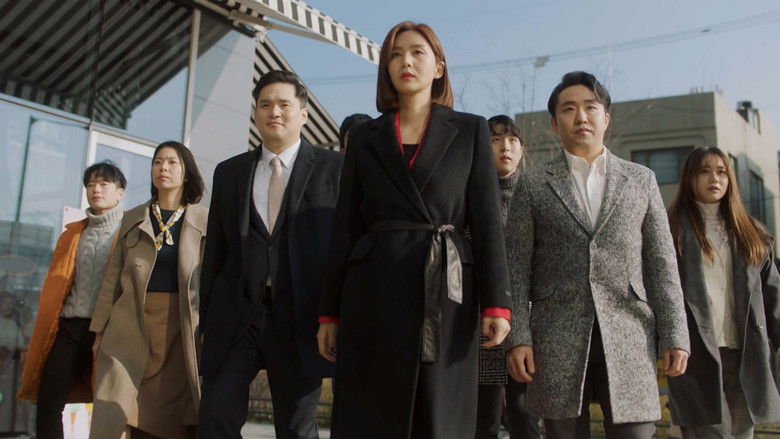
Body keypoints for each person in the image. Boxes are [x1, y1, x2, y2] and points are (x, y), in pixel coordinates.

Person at [317, 21, 511, 439]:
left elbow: (487, 222)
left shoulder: (470, 129)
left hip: (447, 291)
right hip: (373, 290)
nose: (406, 61)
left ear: (439, 67)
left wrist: (497, 304)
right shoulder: (365, 137)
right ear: (386, 69)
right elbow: (345, 226)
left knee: (438, 414)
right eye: (395, 54)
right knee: (373, 413)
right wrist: (329, 312)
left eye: (417, 52)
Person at [504, 71, 690, 439]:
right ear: (554, 124)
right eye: (568, 109)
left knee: (635, 433)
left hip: (629, 332)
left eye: (590, 107)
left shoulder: (641, 179)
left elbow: (662, 264)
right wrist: (519, 338)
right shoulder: (533, 183)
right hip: (555, 336)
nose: (581, 117)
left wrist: (675, 334)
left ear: (606, 118)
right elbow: (516, 269)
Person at [197, 70, 343, 439]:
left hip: (302, 318)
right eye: (265, 105)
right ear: (255, 113)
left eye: (283, 104)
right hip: (237, 315)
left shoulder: (335, 169)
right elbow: (216, 251)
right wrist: (207, 320)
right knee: (215, 414)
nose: (273, 111)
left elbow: (342, 249)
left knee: (296, 428)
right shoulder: (230, 172)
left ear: (303, 113)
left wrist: (335, 314)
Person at [89, 141, 207, 439]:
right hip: (129, 325)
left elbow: (213, 280)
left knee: (169, 417)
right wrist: (99, 331)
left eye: (172, 162)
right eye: (157, 162)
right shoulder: (133, 217)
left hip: (179, 330)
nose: (163, 168)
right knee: (120, 405)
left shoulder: (204, 220)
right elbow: (112, 279)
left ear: (187, 173)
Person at [667, 146, 780, 438]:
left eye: (721, 172)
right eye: (704, 171)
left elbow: (773, 295)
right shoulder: (671, 229)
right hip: (696, 355)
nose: (714, 179)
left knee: (742, 434)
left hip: (746, 355)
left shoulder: (752, 233)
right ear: (690, 178)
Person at [17, 161, 126, 439]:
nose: (95, 189)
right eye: (90, 184)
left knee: (110, 406)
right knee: (49, 400)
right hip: (70, 326)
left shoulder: (130, 232)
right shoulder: (73, 233)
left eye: (103, 184)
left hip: (110, 330)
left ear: (120, 193)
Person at [475, 115, 539, 439]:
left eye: (513, 140)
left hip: (526, 319)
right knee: (483, 415)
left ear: (522, 151)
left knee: (524, 412)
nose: (505, 147)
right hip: (483, 318)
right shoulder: (471, 196)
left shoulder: (536, 195)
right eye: (496, 140)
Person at [0, 295, 25, 433]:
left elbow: (21, 344)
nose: (9, 307)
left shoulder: (13, 325)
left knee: (7, 401)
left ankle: (5, 429)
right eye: (6, 303)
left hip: (9, 369)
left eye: (11, 304)